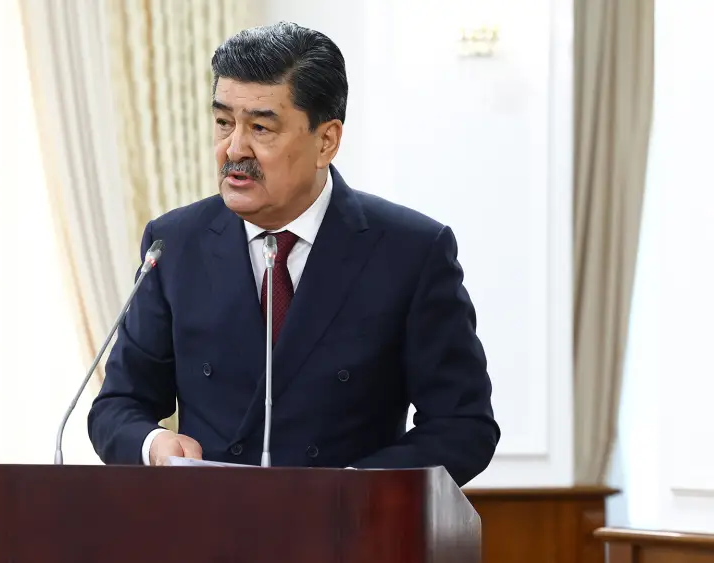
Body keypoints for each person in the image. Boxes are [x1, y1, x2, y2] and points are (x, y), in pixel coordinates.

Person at [87, 21, 499, 486]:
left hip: (349, 524)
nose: (233, 149)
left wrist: (352, 490)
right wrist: (154, 444)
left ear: (326, 141)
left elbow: (463, 427)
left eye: (261, 128)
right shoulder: (174, 244)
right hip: (211, 522)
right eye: (223, 122)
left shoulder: (410, 251)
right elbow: (118, 406)